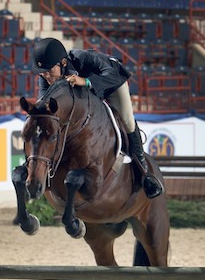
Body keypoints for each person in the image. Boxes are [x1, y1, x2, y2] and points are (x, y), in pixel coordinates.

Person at [31, 37, 163, 199]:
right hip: (86, 96)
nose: (46, 76)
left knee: (127, 120)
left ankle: (144, 173)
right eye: (42, 72)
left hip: (110, 83)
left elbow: (112, 75)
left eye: (50, 71)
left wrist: (85, 81)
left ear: (63, 63)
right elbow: (44, 105)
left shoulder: (82, 58)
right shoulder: (45, 77)